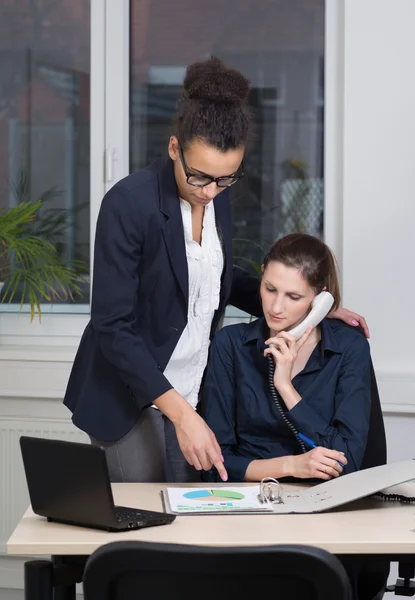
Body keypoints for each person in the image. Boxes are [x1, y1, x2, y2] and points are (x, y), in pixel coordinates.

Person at [63, 57, 369, 484]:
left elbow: (218, 282)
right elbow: (112, 325)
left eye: (226, 179)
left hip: (193, 387)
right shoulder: (129, 204)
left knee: (190, 526)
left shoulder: (214, 194)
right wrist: (181, 414)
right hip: (130, 396)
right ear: (174, 148)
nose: (210, 191)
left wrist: (313, 310)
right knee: (140, 524)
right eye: (199, 177)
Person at [201, 233, 371, 483]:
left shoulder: (348, 347)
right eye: (270, 289)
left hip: (323, 504)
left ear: (320, 298)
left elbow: (348, 462)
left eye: (293, 297)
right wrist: (291, 466)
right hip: (248, 500)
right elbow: (216, 466)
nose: (275, 307)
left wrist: (285, 387)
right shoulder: (231, 345)